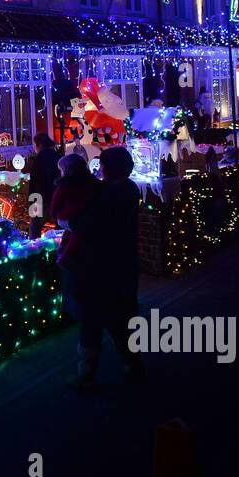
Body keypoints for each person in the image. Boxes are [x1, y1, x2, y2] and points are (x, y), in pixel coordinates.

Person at [50, 148, 146, 391]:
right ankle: (133, 365)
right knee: (121, 320)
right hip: (122, 266)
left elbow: (87, 224)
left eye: (102, 165)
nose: (99, 169)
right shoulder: (127, 190)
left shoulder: (109, 195)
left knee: (93, 321)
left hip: (98, 267)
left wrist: (65, 222)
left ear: (109, 168)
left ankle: (87, 375)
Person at [28, 132, 60, 238]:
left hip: (38, 197)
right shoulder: (57, 155)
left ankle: (34, 250)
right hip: (55, 196)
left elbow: (34, 181)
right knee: (59, 224)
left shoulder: (39, 158)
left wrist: (31, 201)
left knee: (34, 227)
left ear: (39, 144)